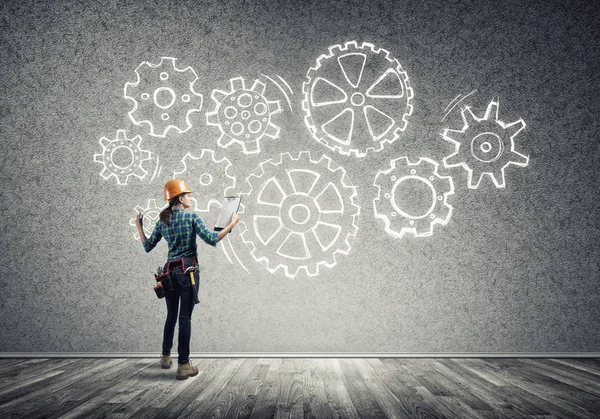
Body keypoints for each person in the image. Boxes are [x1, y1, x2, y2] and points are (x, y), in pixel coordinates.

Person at [134, 178, 240, 380]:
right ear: (180, 198)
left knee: (171, 316)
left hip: (168, 274)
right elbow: (212, 239)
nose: (191, 198)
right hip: (188, 273)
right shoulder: (191, 218)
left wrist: (139, 227)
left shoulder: (163, 220)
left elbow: (147, 247)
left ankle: (165, 357)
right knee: (185, 318)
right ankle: (183, 365)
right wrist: (232, 224)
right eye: (188, 195)